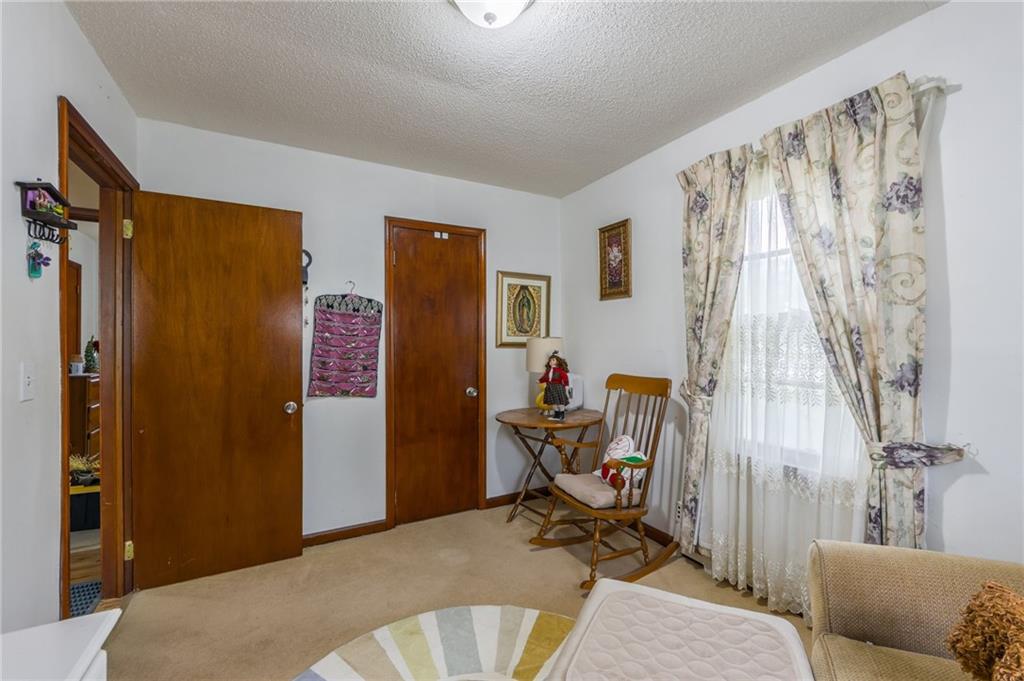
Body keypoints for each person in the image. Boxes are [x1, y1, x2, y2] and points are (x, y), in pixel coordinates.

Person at [538, 351, 570, 421]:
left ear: (558, 361)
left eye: (553, 360)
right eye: (550, 360)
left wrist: (566, 387)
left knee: (560, 403)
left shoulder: (560, 371)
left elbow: (565, 378)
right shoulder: (548, 371)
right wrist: (540, 381)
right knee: (554, 403)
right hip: (550, 388)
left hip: (558, 388)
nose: (551, 361)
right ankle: (556, 415)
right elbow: (545, 378)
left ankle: (562, 415)